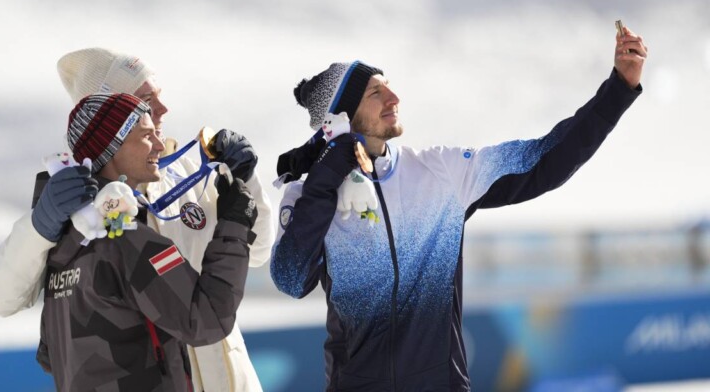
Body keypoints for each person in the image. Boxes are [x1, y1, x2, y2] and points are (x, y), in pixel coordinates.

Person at [270, 26, 648, 391]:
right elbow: (290, 279)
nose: (394, 97)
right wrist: (327, 178)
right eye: (375, 92)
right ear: (341, 118)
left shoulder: (439, 174)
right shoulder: (306, 196)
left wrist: (619, 88)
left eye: (389, 85)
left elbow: (543, 160)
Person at [0, 48, 274, 392]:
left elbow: (259, 251)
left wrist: (247, 181)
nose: (162, 110)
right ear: (109, 113)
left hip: (227, 378)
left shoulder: (188, 171)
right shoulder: (69, 202)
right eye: (146, 99)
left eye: (159, 97)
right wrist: (39, 226)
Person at [36, 92, 257, 391]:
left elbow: (50, 355)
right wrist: (235, 223)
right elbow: (205, 319)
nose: (158, 144)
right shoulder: (124, 237)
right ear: (111, 148)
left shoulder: (64, 239)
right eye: (145, 136)